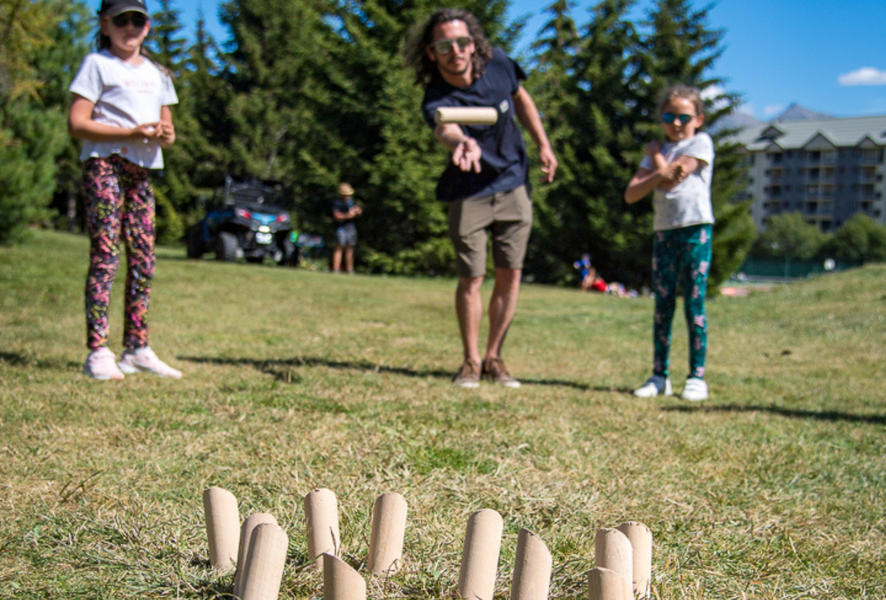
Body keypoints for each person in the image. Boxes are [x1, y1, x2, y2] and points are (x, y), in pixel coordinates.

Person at [407, 8, 558, 388]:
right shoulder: (436, 96)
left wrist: (543, 143)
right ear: (431, 52)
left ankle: (494, 357)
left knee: (510, 275)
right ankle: (471, 361)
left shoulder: (500, 64)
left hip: (513, 183)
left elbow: (521, 99)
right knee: (471, 278)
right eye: (444, 45)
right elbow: (446, 129)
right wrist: (462, 143)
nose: (455, 51)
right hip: (469, 190)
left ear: (473, 43)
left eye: (462, 42)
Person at [68, 0, 181, 380]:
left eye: (138, 19)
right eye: (121, 20)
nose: (130, 27)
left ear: (148, 26)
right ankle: (98, 351)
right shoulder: (97, 65)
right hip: (105, 165)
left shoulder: (158, 73)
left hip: (141, 172)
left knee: (144, 259)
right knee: (106, 255)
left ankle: (137, 347)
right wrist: (129, 134)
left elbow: (169, 131)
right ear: (105, 25)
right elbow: (77, 123)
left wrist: (163, 134)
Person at [624, 84, 715, 401]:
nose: (676, 123)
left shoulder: (700, 143)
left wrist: (655, 158)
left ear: (698, 119)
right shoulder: (659, 153)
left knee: (694, 302)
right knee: (662, 306)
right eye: (668, 116)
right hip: (664, 231)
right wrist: (659, 165)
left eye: (683, 116)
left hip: (695, 230)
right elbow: (632, 193)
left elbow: (676, 178)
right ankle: (659, 375)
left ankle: (696, 376)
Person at [331, 182, 362, 274]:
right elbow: (336, 215)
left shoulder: (351, 201)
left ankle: (350, 269)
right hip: (341, 227)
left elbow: (357, 211)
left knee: (350, 248)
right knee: (339, 247)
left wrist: (358, 212)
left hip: (350, 227)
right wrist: (347, 216)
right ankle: (336, 268)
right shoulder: (337, 202)